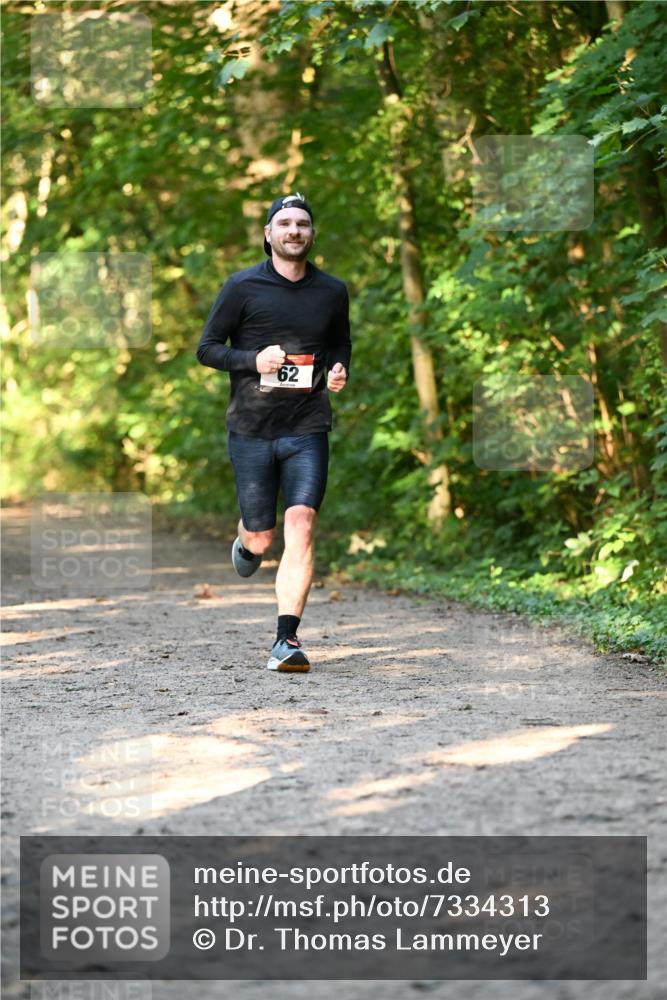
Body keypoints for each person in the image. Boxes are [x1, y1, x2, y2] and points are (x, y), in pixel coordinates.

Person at [196, 193, 351, 673]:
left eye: (302, 223)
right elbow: (206, 348)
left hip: (307, 425)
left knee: (301, 522)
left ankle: (286, 640)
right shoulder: (242, 287)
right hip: (252, 429)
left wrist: (340, 367)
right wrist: (251, 360)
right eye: (284, 223)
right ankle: (247, 541)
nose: (294, 231)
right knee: (263, 539)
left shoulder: (332, 290)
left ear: (312, 233)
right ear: (268, 234)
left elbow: (339, 339)